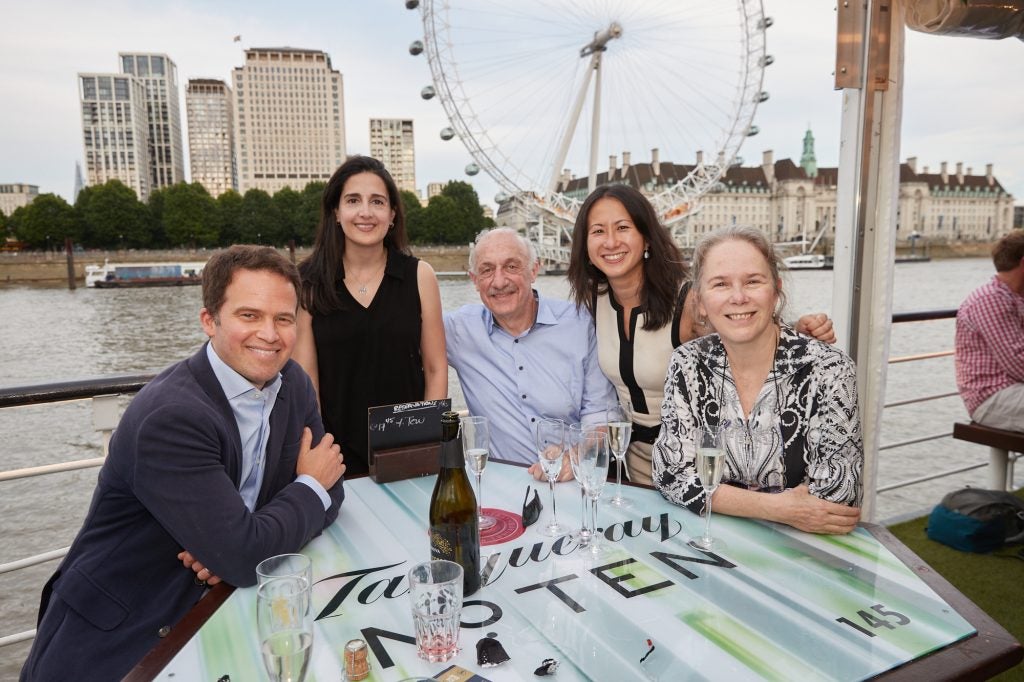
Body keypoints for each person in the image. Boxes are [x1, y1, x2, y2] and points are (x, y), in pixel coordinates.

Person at [20, 246, 346, 682]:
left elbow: (332, 487)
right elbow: (283, 519)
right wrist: (256, 532)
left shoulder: (293, 384)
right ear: (209, 320)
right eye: (249, 316)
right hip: (121, 638)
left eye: (283, 319)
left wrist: (241, 541)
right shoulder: (171, 418)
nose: (270, 334)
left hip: (220, 610)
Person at [567, 184, 836, 485]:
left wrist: (796, 331)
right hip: (633, 464)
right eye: (598, 231)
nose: (611, 241)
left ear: (646, 237)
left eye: (623, 227)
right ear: (586, 246)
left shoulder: (689, 301)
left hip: (697, 464)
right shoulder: (594, 299)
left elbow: (747, 335)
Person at [651, 226, 863, 534]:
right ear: (699, 302)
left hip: (803, 550)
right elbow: (670, 475)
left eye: (753, 281)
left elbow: (837, 499)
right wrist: (779, 507)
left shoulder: (828, 369)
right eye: (720, 284)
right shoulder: (687, 362)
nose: (738, 297)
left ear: (776, 290)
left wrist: (715, 495)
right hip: (715, 538)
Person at [295, 156, 447, 476]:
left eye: (377, 202)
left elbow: (435, 368)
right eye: (353, 200)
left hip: (407, 449)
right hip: (335, 456)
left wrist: (425, 442)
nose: (365, 212)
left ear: (392, 215)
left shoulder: (420, 276)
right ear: (336, 212)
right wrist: (319, 454)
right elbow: (307, 383)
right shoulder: (307, 282)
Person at [444, 227, 617, 478]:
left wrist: (576, 456)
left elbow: (600, 413)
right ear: (474, 280)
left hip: (571, 481)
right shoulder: (459, 330)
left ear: (534, 270)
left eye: (512, 267)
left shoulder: (579, 323)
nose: (499, 281)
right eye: (487, 270)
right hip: (501, 486)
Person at [955, 230, 1024, 432]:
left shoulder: (1014, 298)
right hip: (992, 396)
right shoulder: (991, 300)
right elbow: (1018, 364)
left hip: (1012, 390)